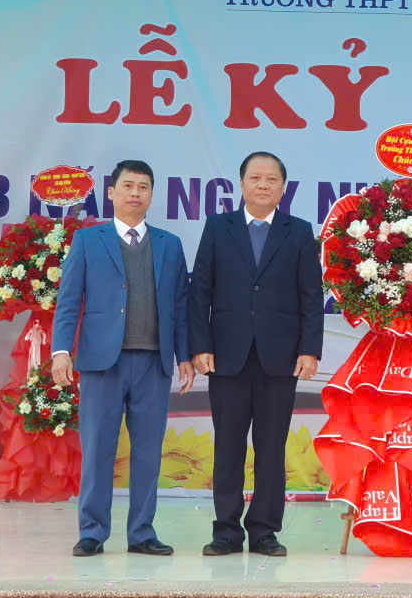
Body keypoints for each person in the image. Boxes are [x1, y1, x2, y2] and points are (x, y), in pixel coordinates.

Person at [50, 159, 193, 557]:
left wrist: (184, 355)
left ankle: (142, 532)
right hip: (101, 362)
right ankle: (92, 532)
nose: (135, 193)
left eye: (143, 186)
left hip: (153, 363)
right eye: (127, 185)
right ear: (111, 193)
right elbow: (69, 301)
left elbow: (181, 305)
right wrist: (61, 350)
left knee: (148, 452)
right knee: (98, 449)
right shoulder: (87, 240)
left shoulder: (169, 244)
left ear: (151, 195)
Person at [190, 151, 323, 558]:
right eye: (255, 177)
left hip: (280, 358)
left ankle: (264, 530)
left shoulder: (299, 232)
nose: (263, 184)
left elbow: (311, 297)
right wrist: (200, 345)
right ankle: (226, 531)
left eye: (271, 179)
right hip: (226, 356)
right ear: (242, 184)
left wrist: (309, 350)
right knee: (228, 447)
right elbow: (200, 291)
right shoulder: (218, 227)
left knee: (271, 448)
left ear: (283, 187)